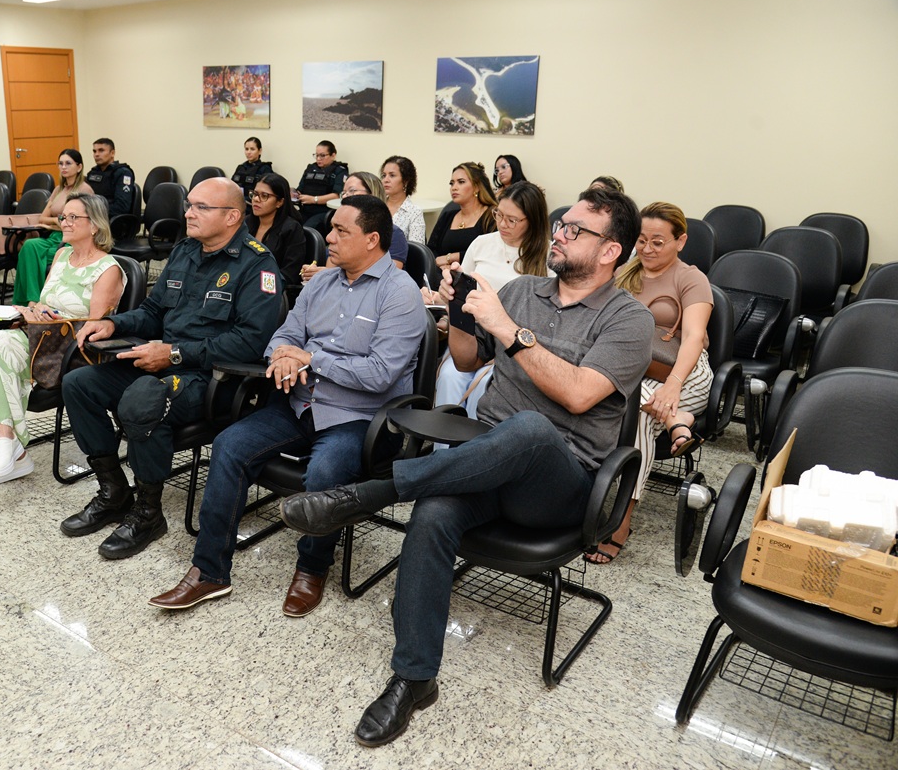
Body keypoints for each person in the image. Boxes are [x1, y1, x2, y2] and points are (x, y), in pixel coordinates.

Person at [279, 186, 654, 748]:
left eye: (576, 231)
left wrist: (509, 330)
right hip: (486, 462)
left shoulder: (630, 320)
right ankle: (413, 678)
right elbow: (464, 359)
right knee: (432, 516)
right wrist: (459, 311)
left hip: (560, 484)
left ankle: (372, 493)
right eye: (562, 225)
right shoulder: (524, 290)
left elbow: (578, 396)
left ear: (609, 252)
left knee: (530, 429)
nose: (558, 234)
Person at [148, 195, 425, 615]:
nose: (328, 238)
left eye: (340, 232)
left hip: (360, 418)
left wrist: (312, 359)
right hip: (300, 403)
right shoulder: (323, 283)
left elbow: (381, 374)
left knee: (325, 470)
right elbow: (284, 335)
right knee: (230, 445)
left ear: (372, 240)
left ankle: (312, 567)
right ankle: (208, 572)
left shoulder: (400, 294)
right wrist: (282, 356)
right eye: (331, 228)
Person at [59, 178, 283, 560]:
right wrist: (116, 324)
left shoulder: (256, 264)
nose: (188, 213)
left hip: (213, 380)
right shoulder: (185, 251)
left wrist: (175, 354)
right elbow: (153, 312)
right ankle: (114, 492)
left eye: (200, 208)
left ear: (232, 216)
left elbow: (250, 343)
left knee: (142, 399)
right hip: (162, 360)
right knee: (79, 383)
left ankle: (148, 513)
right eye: (189, 205)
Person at [585, 202, 713, 563]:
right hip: (637, 372)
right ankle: (677, 422)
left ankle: (621, 518)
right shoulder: (625, 272)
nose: (648, 249)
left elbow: (692, 339)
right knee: (626, 395)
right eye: (641, 240)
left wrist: (672, 386)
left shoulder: (691, 278)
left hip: (685, 372)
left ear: (681, 241)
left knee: (636, 412)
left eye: (658, 241)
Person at [0, 194, 126, 485]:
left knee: (3, 355)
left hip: (73, 350)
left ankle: (13, 451)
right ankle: (9, 445)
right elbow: (44, 302)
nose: (65, 223)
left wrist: (52, 319)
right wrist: (34, 309)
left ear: (94, 225)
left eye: (73, 218)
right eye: (63, 217)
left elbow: (95, 327)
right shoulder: (61, 256)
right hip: (44, 338)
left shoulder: (108, 269)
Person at [426, 180, 552, 416]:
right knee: (448, 377)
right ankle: (443, 449)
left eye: (512, 220)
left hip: (511, 347)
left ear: (532, 221)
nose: (502, 224)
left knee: (484, 388)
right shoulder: (482, 243)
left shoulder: (547, 256)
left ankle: (476, 450)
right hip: (470, 335)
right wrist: (446, 294)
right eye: (498, 215)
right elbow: (461, 294)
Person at [11, 149, 94, 306]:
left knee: (34, 254)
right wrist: (60, 221)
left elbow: (83, 222)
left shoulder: (84, 190)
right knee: (29, 246)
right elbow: (42, 217)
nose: (63, 167)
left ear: (79, 167)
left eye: (68, 163)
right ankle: (29, 301)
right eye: (60, 163)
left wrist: (55, 221)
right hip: (54, 236)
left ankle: (34, 301)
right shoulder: (58, 189)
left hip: (73, 239)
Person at [300, 173, 408, 282]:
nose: (346, 196)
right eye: (344, 193)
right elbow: (331, 269)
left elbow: (390, 279)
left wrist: (327, 274)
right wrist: (323, 274)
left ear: (372, 194)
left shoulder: (394, 234)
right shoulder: (337, 229)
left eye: (352, 191)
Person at [426, 162, 498, 268]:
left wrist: (450, 258)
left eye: (461, 182)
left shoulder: (491, 216)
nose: (454, 188)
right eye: (452, 183)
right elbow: (431, 250)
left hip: (476, 276)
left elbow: (489, 252)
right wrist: (442, 267)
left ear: (477, 187)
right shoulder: (447, 216)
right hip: (442, 275)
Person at [247, 172, 304, 306]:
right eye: (255, 194)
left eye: (264, 196)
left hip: (272, 294)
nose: (256, 199)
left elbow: (289, 274)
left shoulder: (291, 229)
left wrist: (255, 286)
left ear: (280, 202)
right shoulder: (246, 223)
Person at [296, 140, 348, 233]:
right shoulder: (310, 169)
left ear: (333, 155)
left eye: (322, 155)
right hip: (305, 209)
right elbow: (300, 189)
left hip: (324, 212)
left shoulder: (340, 171)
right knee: (289, 224)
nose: (318, 159)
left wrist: (313, 199)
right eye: (316, 155)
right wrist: (294, 194)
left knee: (306, 230)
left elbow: (337, 195)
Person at [84, 138, 136, 219]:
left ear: (112, 153)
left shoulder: (123, 173)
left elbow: (122, 207)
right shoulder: (92, 173)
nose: (96, 154)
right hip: (92, 218)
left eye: (101, 150)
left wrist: (93, 211)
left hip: (111, 221)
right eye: (94, 151)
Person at [381, 155, 425, 245]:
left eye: (392, 175)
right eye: (383, 175)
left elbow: (417, 250)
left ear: (405, 181)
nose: (386, 180)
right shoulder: (376, 206)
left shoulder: (414, 212)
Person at [231, 137, 273, 202]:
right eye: (246, 149)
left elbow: (267, 192)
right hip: (238, 201)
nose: (249, 152)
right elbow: (232, 186)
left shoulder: (265, 168)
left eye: (252, 149)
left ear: (260, 151)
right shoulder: (240, 167)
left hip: (255, 203)